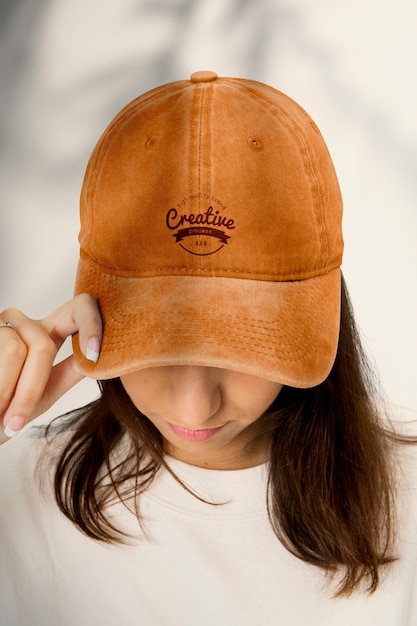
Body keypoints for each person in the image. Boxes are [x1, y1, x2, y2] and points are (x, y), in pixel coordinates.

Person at [0, 71, 416, 625]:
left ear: (321, 308)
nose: (194, 408)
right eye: (157, 343)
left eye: (241, 346)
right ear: (89, 307)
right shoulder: (20, 487)